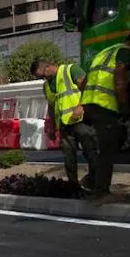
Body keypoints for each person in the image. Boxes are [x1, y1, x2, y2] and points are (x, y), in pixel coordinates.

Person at [80, 29, 130, 197]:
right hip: (104, 105)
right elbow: (120, 74)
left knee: (103, 147)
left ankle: (91, 180)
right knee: (109, 147)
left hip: (90, 104)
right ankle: (100, 191)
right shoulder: (126, 51)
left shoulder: (104, 52)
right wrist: (123, 104)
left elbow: (85, 80)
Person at [31, 58, 91, 189]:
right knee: (69, 157)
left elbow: (88, 87)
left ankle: (96, 182)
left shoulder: (70, 70)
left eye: (42, 76)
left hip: (81, 120)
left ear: (47, 67)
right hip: (64, 124)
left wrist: (81, 105)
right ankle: (74, 186)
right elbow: (52, 106)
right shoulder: (47, 85)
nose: (43, 79)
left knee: (90, 151)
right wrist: (52, 126)